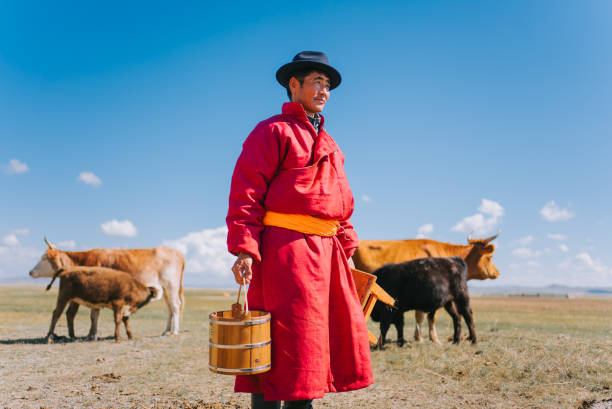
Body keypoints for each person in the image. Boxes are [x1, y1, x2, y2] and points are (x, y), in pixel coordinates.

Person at [226, 51, 373, 409]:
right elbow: (247, 192)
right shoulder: (272, 131)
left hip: (327, 256)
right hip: (285, 253)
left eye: (328, 85)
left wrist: (348, 253)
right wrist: (245, 247)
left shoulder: (332, 145)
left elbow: (340, 204)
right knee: (284, 341)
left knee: (314, 344)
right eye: (316, 82)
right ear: (294, 86)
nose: (324, 91)